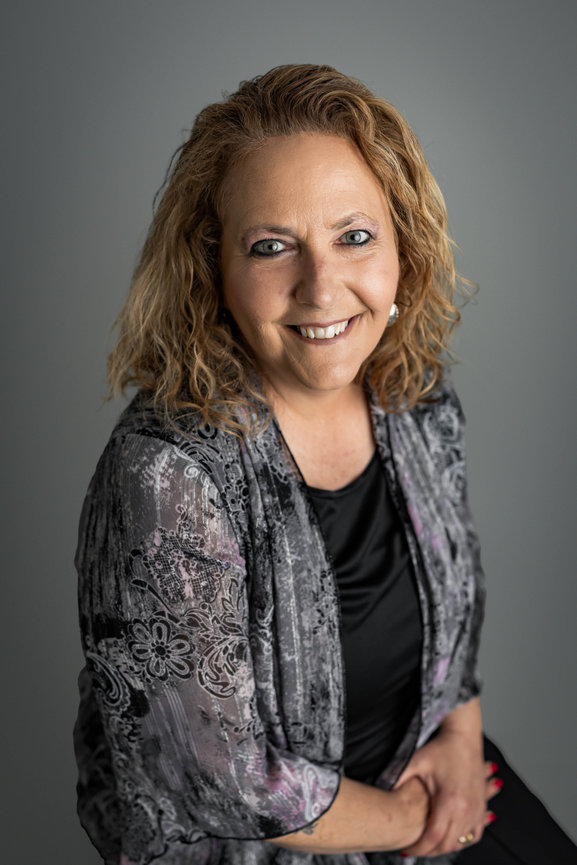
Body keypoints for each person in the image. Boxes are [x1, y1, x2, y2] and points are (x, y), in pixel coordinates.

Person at [74, 64, 577, 865]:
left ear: (401, 247)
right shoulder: (165, 476)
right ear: (215, 273)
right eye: (272, 247)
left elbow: (457, 613)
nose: (321, 286)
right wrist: (418, 820)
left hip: (426, 770)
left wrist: (458, 744)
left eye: (353, 236)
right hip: (261, 843)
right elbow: (215, 782)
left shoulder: (413, 400)